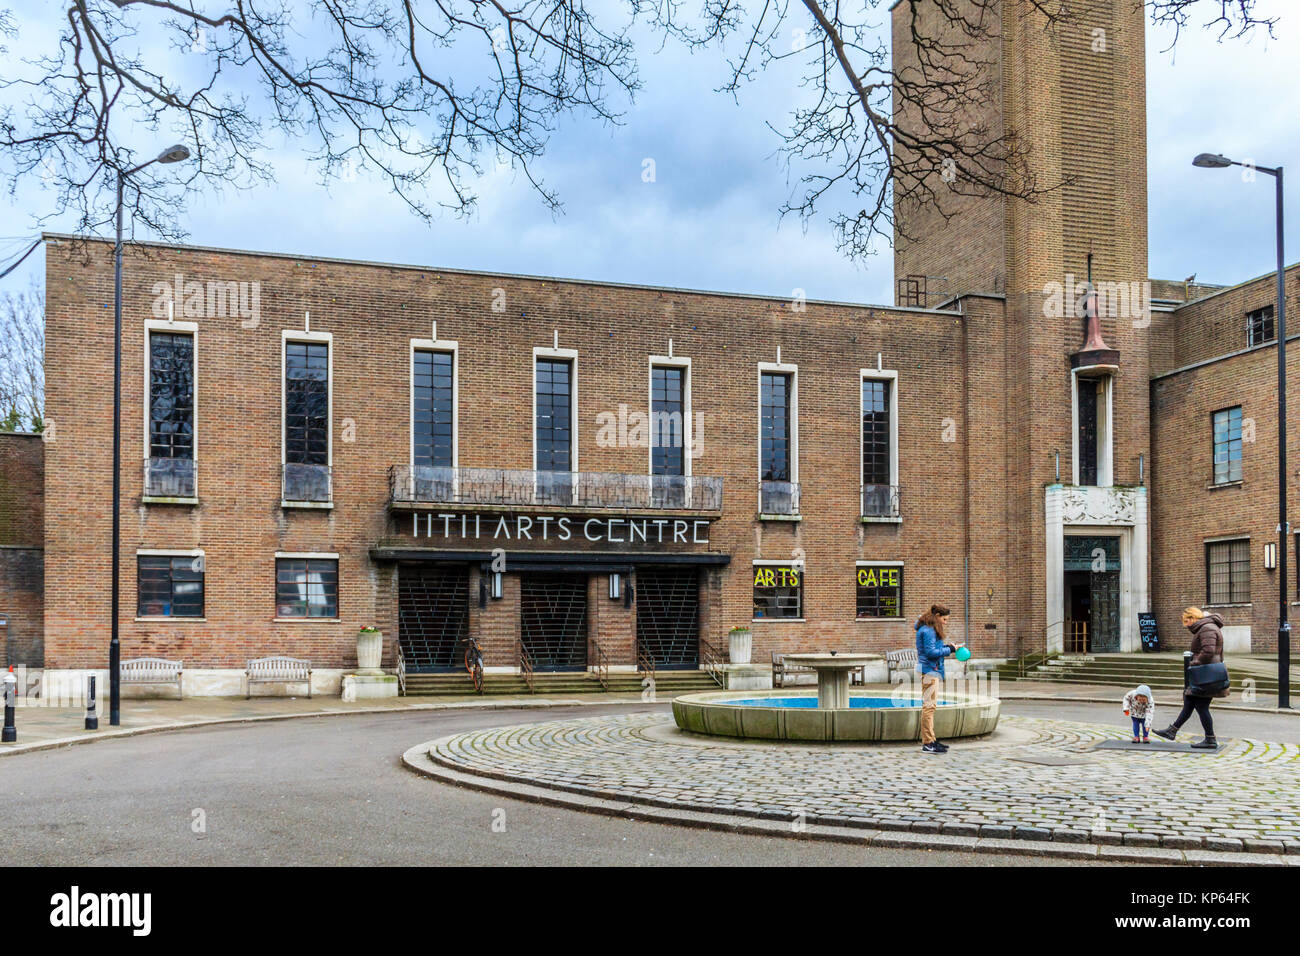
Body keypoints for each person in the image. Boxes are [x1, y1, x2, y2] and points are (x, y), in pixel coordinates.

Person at [1153, 607, 1228, 749]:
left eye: (1187, 621)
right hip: (1206, 673)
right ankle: (1173, 730)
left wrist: (1195, 662)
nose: (1186, 625)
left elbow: (1209, 650)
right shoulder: (1207, 627)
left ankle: (1210, 739)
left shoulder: (1207, 628)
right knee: (1190, 701)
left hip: (1206, 674)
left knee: (1201, 706)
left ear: (1193, 618)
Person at [915, 603, 960, 755]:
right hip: (929, 670)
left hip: (931, 670)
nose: (945, 623)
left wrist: (948, 646)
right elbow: (930, 652)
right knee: (929, 707)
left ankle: (931, 740)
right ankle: (928, 743)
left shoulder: (928, 627)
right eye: (945, 620)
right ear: (938, 616)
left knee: (931, 706)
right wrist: (950, 650)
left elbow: (934, 648)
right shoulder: (928, 630)